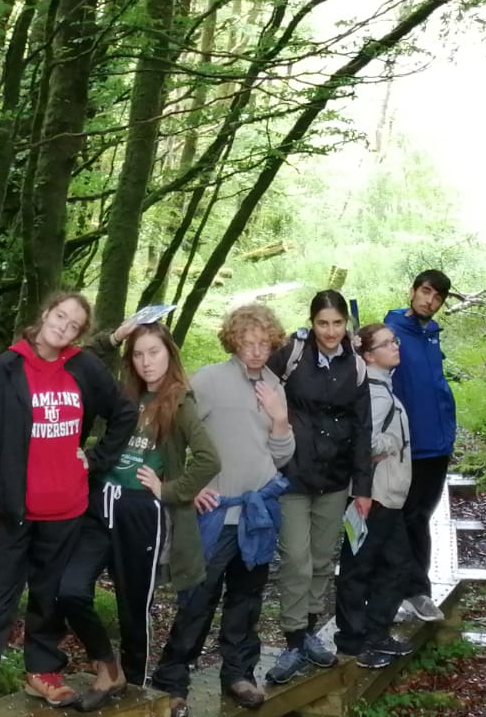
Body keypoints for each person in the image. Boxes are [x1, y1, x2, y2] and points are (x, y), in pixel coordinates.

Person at [0, 292, 139, 717]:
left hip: (66, 507)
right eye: (60, 316)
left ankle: (42, 672)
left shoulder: (84, 367)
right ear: (45, 314)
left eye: (73, 325)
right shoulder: (5, 367)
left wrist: (98, 458)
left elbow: (123, 412)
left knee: (48, 596)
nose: (63, 327)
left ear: (79, 335)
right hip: (12, 509)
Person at [53, 321, 221, 711]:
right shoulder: (121, 393)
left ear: (169, 354)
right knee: (69, 589)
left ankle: (134, 697)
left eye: (154, 352)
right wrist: (114, 335)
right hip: (98, 507)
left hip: (139, 514)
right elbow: (81, 361)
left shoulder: (179, 401)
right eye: (139, 353)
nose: (147, 362)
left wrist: (170, 490)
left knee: (133, 610)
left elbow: (210, 459)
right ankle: (109, 669)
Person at [151, 303, 295, 716]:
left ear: (273, 343)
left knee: (247, 598)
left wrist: (280, 421)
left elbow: (281, 455)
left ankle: (238, 673)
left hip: (258, 512)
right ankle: (172, 681)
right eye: (247, 343)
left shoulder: (273, 385)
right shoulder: (211, 380)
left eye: (263, 343)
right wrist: (187, 487)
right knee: (198, 597)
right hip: (216, 513)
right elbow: (175, 435)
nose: (255, 351)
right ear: (234, 341)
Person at [264, 289, 372, 685]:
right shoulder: (291, 354)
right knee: (296, 557)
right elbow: (257, 388)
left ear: (346, 324)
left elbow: (363, 428)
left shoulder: (355, 365)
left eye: (337, 323)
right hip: (293, 472)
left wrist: (363, 487)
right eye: (323, 323)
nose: (330, 331)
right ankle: (293, 637)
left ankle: (308, 630)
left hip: (335, 477)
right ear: (312, 322)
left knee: (323, 558)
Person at [334, 323, 418, 667]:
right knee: (359, 566)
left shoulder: (381, 387)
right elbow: (363, 442)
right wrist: (389, 445)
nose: (395, 346)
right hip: (373, 496)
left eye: (394, 340)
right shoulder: (374, 393)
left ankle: (374, 633)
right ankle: (355, 642)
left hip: (386, 495)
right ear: (368, 355)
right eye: (387, 343)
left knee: (394, 564)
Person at [383, 269, 456, 622]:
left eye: (438, 297)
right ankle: (412, 590)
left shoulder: (430, 335)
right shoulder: (392, 334)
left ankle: (415, 591)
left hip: (437, 445)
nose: (430, 300)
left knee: (421, 517)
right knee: (404, 517)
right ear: (412, 291)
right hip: (407, 446)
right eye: (426, 292)